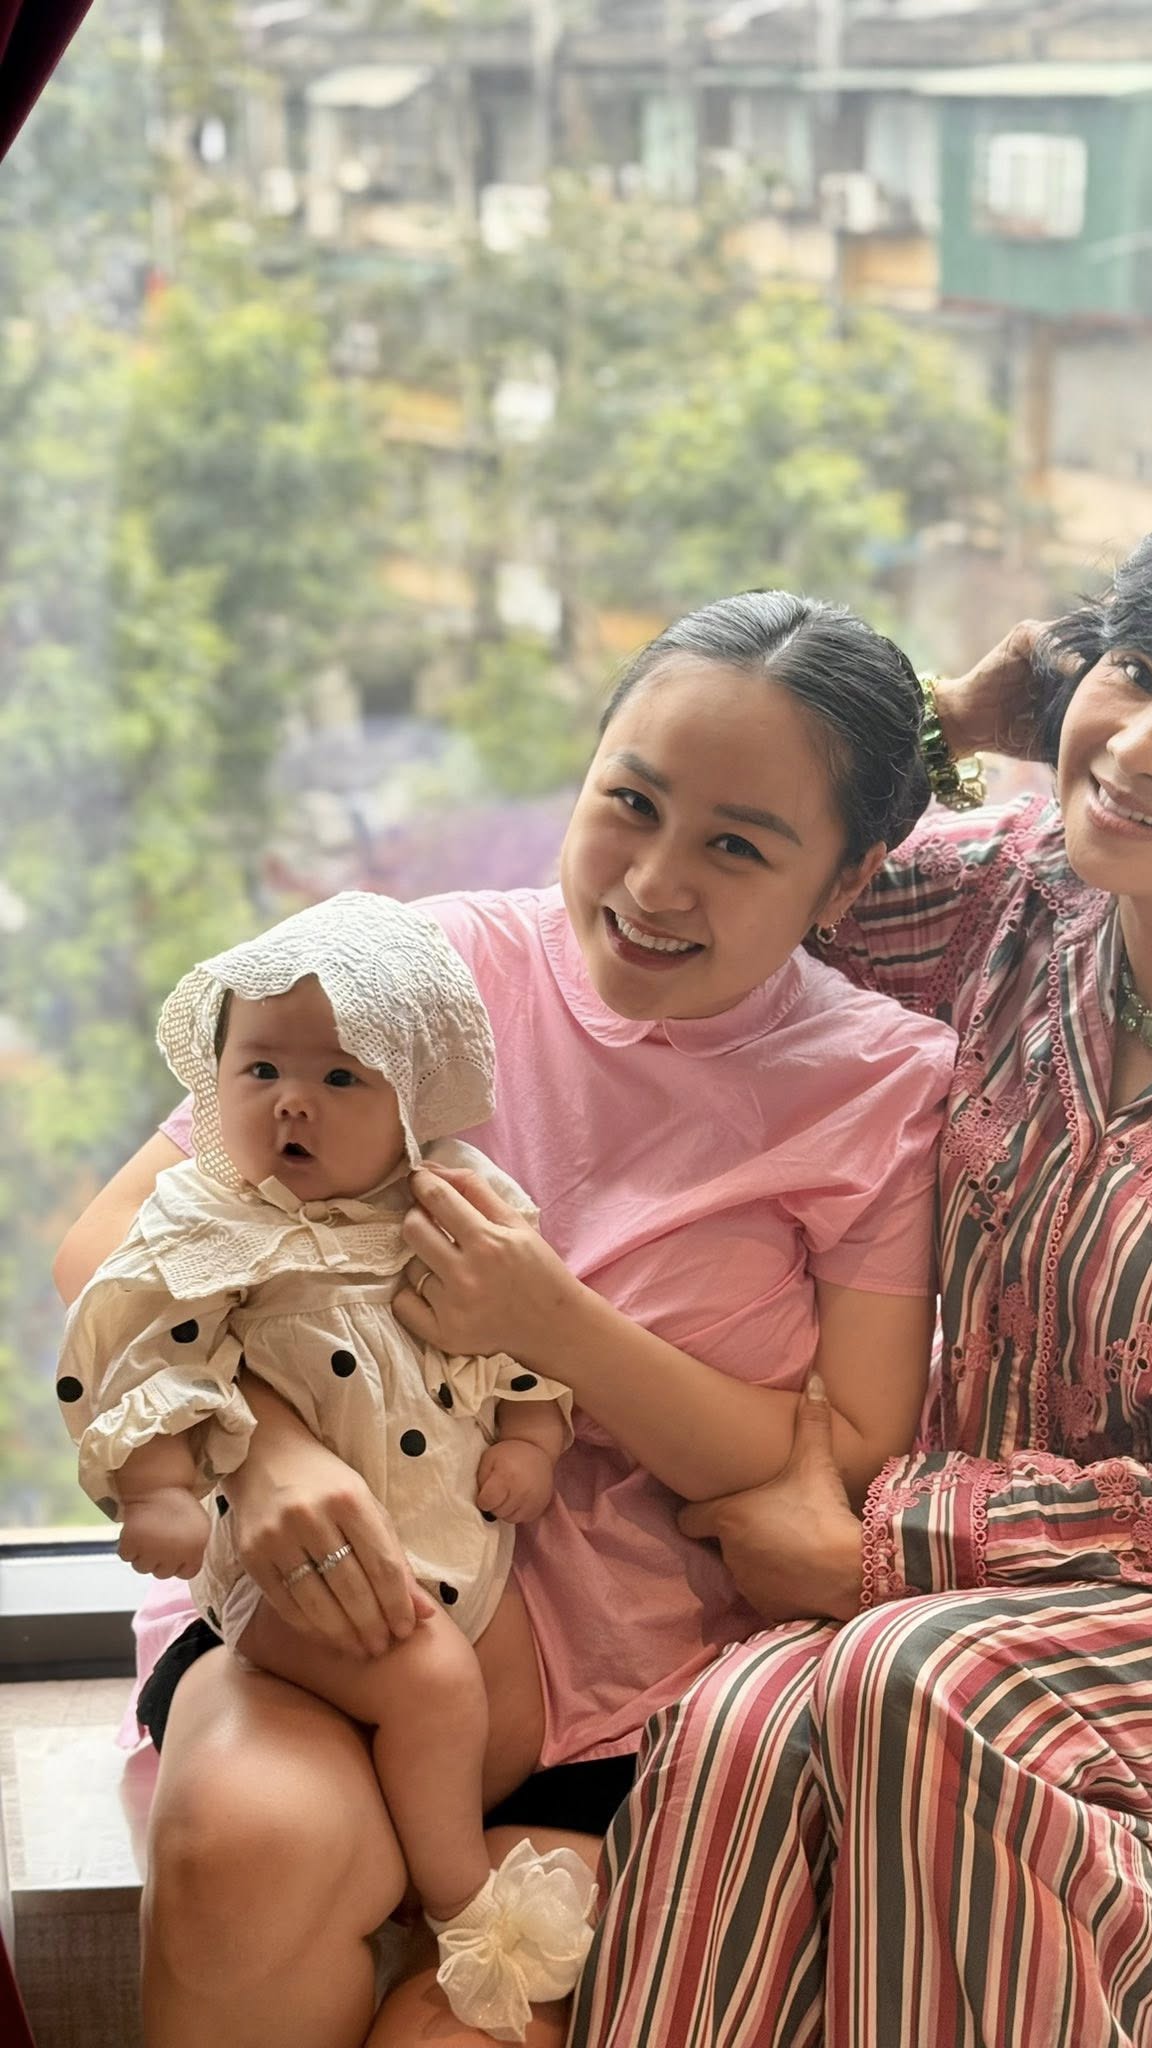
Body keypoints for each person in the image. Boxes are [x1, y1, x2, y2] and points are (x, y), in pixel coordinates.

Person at [565, 491, 1152, 2048]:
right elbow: (781, 868)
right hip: (982, 1605)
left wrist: (889, 1544)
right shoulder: (1018, 902)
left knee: (923, 1687)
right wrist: (951, 720)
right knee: (738, 1720)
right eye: (1133, 670)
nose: (1138, 742)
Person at [52, 590, 958, 2048]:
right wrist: (267, 1450)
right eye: (631, 803)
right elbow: (109, 1250)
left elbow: (843, 1451)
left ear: (846, 881)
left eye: (737, 845)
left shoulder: (882, 1084)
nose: (655, 883)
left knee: (454, 2029)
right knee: (241, 1858)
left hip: (638, 1705)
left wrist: (554, 1322)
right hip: (322, 1615)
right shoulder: (426, 968)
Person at [57, 890, 597, 2040]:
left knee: (495, 1673)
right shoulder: (211, 1222)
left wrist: (532, 1440)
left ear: (415, 1099)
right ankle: (461, 1901)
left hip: (461, 1552)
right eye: (259, 1070)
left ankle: (404, 1868)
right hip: (290, 1579)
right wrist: (159, 1486)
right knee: (433, 1681)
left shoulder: (455, 1205)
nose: (291, 1101)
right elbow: (151, 1354)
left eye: (342, 1077)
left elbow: (527, 1342)